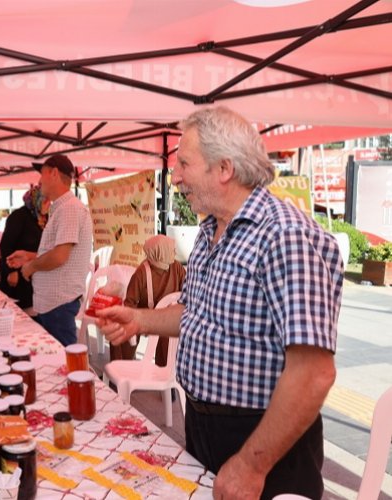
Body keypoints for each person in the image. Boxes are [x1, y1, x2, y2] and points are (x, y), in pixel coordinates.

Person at [97, 106, 343, 500]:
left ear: (224, 168)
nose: (175, 177)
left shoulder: (284, 237)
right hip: (203, 426)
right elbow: (198, 314)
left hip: (264, 441)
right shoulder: (211, 229)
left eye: (184, 164)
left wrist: (251, 464)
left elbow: (314, 373)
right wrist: (138, 320)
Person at [7, 155, 92, 346]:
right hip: (55, 304)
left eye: (42, 173)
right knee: (60, 362)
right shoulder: (62, 208)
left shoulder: (69, 208)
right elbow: (60, 253)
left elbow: (60, 256)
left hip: (59, 304)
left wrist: (30, 267)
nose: (39, 180)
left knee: (66, 362)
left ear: (54, 173)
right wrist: (28, 256)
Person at [109, 234, 186, 365]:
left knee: (167, 337)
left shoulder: (176, 267)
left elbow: (185, 292)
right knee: (121, 331)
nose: (175, 252)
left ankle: (165, 372)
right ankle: (121, 367)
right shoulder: (142, 272)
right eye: (172, 250)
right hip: (145, 313)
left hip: (167, 316)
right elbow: (130, 302)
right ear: (160, 252)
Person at [0, 185, 49, 312]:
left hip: (34, 274)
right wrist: (11, 271)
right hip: (16, 275)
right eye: (46, 201)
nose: (49, 204)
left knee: (32, 312)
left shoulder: (42, 218)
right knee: (18, 312)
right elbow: (5, 245)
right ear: (37, 200)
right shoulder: (18, 216)